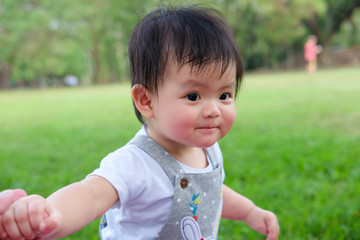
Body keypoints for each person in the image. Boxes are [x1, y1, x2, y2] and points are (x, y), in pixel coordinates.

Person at [0, 5, 279, 240]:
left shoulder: (207, 150)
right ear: (146, 100)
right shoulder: (136, 163)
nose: (213, 110)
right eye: (193, 96)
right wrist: (52, 214)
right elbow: (91, 194)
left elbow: (212, 193)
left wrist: (249, 212)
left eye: (225, 95)